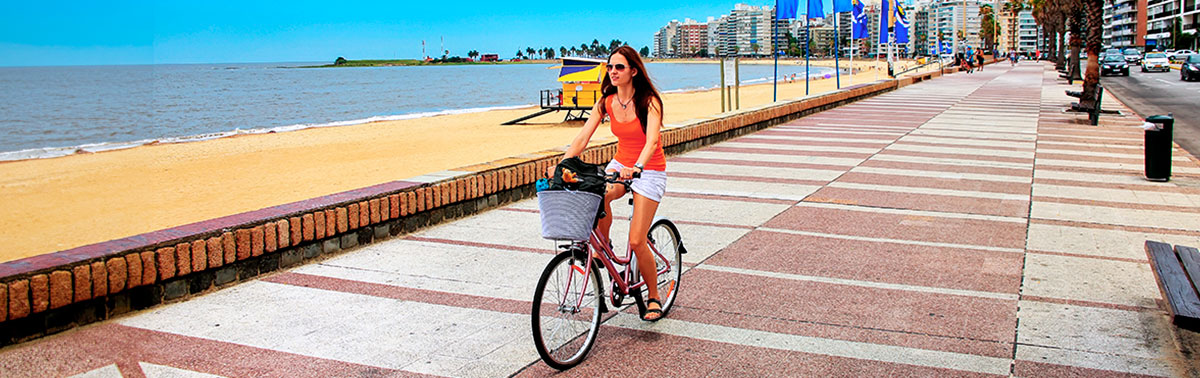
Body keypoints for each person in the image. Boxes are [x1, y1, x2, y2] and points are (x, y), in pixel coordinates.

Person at [548, 46, 670, 321]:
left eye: (620, 67)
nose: (613, 72)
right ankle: (604, 249)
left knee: (638, 240)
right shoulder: (606, 102)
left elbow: (652, 141)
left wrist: (637, 167)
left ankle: (653, 296)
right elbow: (583, 137)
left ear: (633, 71)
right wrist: (563, 163)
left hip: (648, 169)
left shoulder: (649, 101)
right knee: (596, 194)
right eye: (610, 67)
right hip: (619, 165)